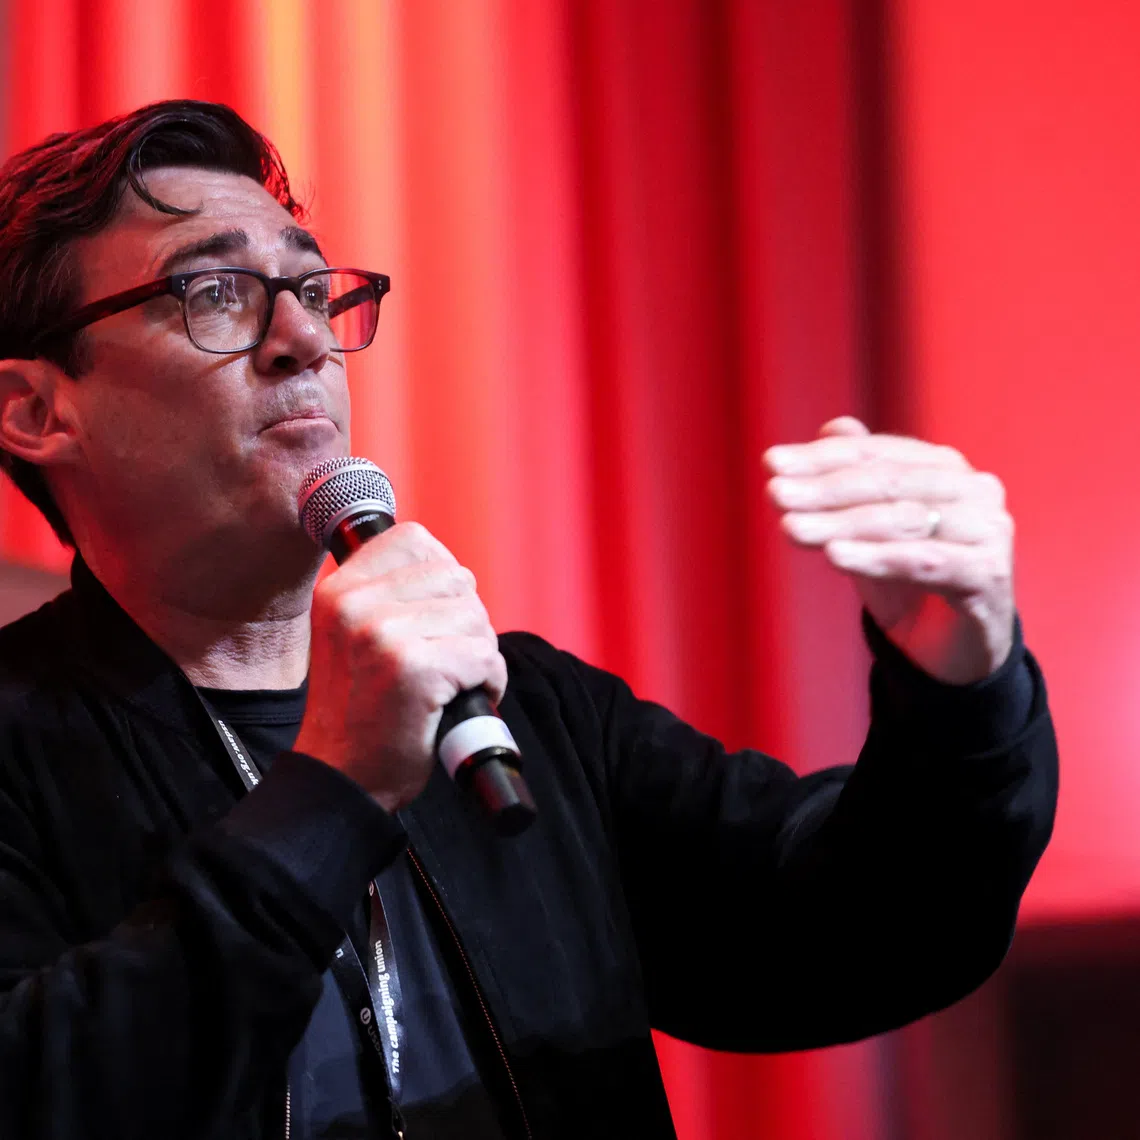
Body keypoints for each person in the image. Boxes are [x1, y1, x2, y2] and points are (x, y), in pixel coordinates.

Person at [0, 100, 1056, 1140]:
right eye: (216, 290)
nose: (304, 337)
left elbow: (864, 931)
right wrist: (336, 792)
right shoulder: (23, 749)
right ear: (38, 410)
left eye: (313, 287)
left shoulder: (522, 710)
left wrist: (962, 683)